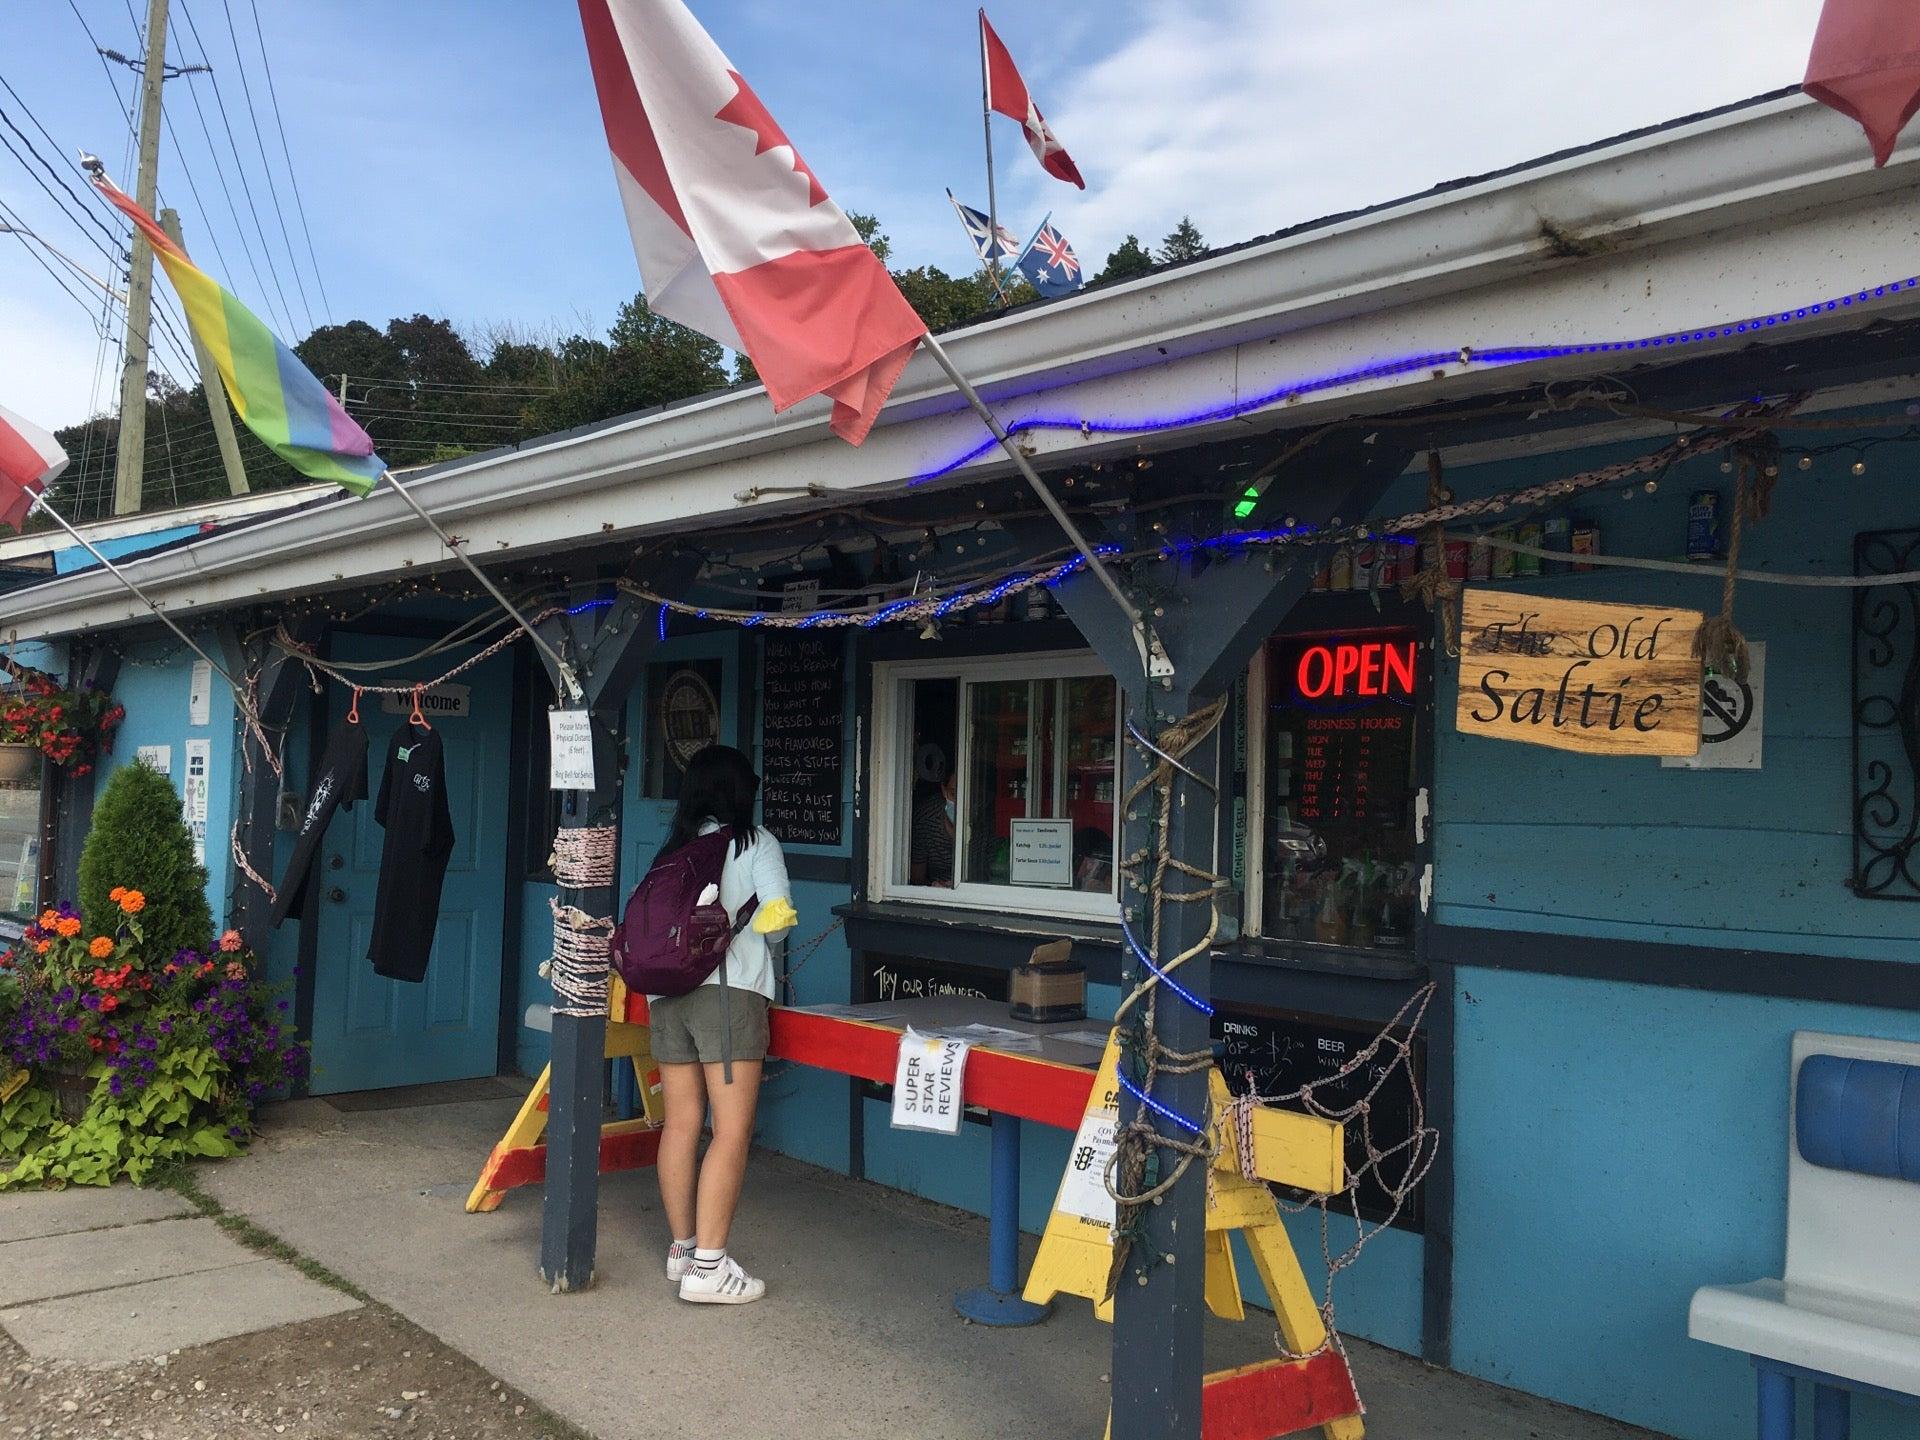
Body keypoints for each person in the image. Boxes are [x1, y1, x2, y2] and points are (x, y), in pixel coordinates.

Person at [646, 745, 796, 1305]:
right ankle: (710, 1269)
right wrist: (766, 921)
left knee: (681, 1125)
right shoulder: (755, 842)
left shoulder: (673, 848)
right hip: (727, 999)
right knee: (730, 1131)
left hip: (668, 997)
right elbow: (777, 920)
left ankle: (683, 1250)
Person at [909, 769, 957, 886]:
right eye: (954, 794)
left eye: (968, 795)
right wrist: (934, 887)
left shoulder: (988, 820)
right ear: (944, 790)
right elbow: (916, 877)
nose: (960, 802)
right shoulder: (925, 818)